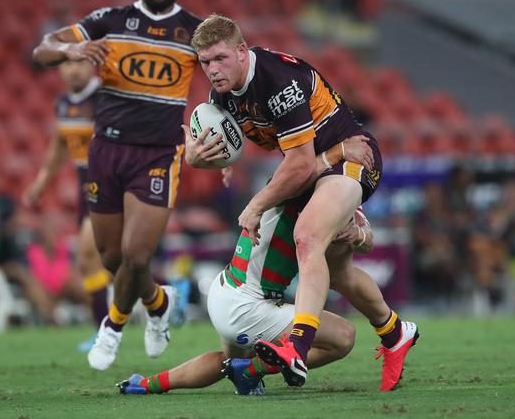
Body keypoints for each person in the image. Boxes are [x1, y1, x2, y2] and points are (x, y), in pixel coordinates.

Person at [183, 14, 419, 391]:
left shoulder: (278, 82)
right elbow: (222, 153)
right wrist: (198, 158)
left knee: (308, 238)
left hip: (351, 160)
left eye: (220, 58)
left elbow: (299, 165)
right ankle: (395, 333)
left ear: (242, 52)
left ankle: (297, 346)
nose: (212, 69)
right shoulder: (222, 96)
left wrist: (257, 204)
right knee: (337, 270)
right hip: (315, 170)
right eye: (205, 61)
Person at [32, 0, 202, 370]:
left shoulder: (194, 32)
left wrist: (223, 141)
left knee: (136, 255)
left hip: (158, 154)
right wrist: (71, 50)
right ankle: (160, 303)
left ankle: (111, 328)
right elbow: (43, 48)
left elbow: (231, 73)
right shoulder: (108, 21)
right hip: (106, 150)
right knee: (111, 258)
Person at [118, 139, 371, 395]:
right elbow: (305, 171)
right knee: (344, 337)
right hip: (247, 305)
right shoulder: (297, 181)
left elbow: (366, 238)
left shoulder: (318, 187)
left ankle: (145, 384)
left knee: (228, 363)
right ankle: (252, 370)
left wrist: (357, 233)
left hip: (227, 291)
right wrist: (339, 151)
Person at [22, 59, 111, 350]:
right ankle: (165, 292)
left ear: (93, 65)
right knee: (109, 262)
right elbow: (59, 146)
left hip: (109, 184)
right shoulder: (62, 104)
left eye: (81, 62)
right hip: (84, 186)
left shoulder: (105, 98)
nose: (73, 69)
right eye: (67, 63)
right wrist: (40, 183)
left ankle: (105, 333)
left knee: (89, 256)